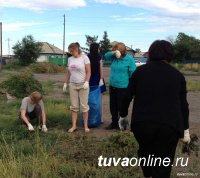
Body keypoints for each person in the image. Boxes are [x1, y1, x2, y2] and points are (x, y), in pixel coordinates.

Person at [119, 40, 191, 178]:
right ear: (170, 54)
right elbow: (184, 105)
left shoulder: (140, 72)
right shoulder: (177, 75)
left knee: (146, 155)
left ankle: (149, 174)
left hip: (142, 125)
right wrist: (186, 130)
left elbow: (126, 96)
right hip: (169, 127)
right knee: (163, 163)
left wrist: (123, 116)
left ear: (150, 53)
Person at [105, 42, 136, 129]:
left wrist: (131, 88)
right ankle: (114, 123)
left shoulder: (129, 60)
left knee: (122, 108)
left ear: (122, 51)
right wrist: (113, 53)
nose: (115, 52)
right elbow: (106, 56)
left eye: (116, 50)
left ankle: (122, 125)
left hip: (123, 88)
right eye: (114, 50)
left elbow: (133, 74)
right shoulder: (114, 58)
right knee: (113, 106)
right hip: (113, 86)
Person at [63, 42, 91, 133]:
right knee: (74, 106)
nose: (71, 53)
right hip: (73, 85)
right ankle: (74, 126)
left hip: (83, 85)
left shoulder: (84, 57)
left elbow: (88, 71)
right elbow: (68, 72)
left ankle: (86, 126)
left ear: (77, 50)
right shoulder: (70, 59)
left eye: (72, 51)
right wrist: (65, 83)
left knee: (84, 106)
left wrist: (87, 81)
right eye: (69, 51)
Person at [88, 42, 106, 124]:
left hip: (90, 79)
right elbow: (101, 69)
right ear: (96, 49)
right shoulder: (99, 57)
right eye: (98, 48)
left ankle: (90, 117)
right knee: (99, 100)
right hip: (98, 79)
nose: (99, 50)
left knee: (89, 100)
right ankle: (100, 118)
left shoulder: (87, 57)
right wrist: (101, 79)